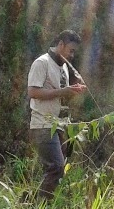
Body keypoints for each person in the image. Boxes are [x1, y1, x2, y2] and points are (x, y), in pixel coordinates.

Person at [27, 30, 87, 201]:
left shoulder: (64, 68)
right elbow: (32, 91)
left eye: (74, 51)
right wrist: (64, 91)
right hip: (43, 125)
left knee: (57, 171)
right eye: (71, 50)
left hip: (60, 125)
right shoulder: (42, 62)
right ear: (60, 44)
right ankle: (38, 204)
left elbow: (59, 95)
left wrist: (73, 91)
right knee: (56, 168)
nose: (72, 55)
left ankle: (30, 201)